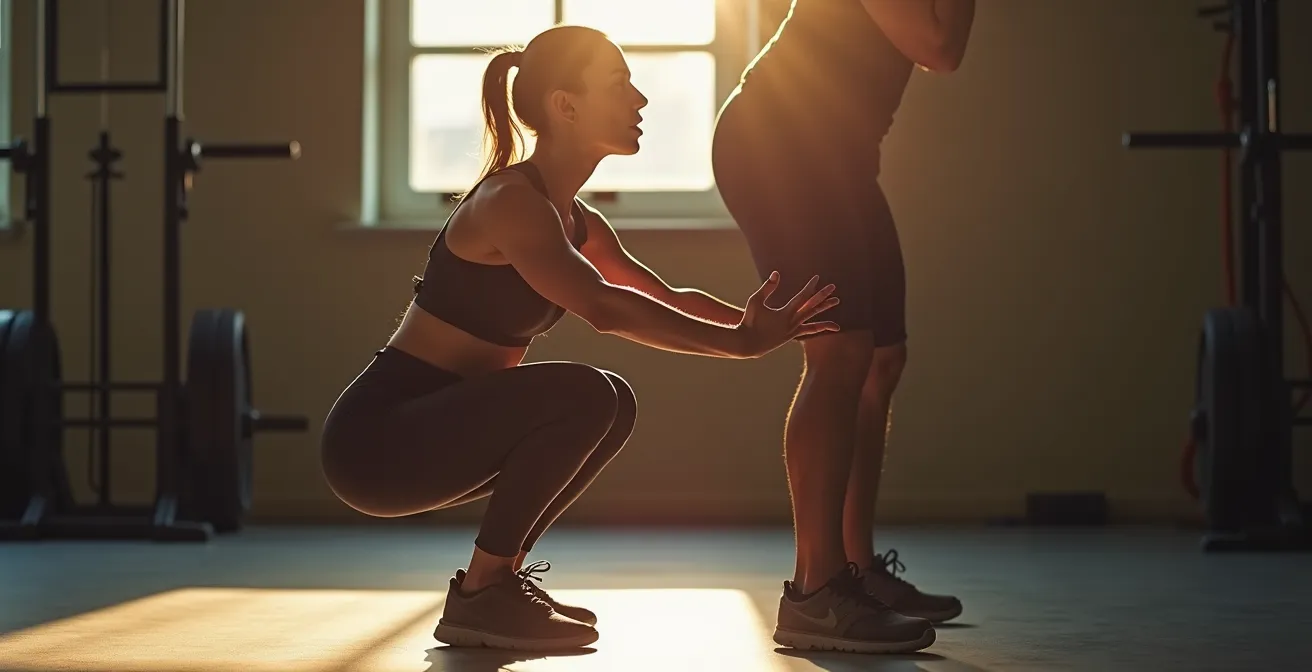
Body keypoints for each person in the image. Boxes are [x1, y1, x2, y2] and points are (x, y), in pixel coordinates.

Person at [319, 24, 841, 653]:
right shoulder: (510, 203)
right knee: (587, 394)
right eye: (620, 84)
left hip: (440, 432)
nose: (640, 99)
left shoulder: (574, 220)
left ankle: (497, 585)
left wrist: (755, 326)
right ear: (565, 105)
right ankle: (482, 592)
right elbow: (603, 307)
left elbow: (662, 297)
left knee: (614, 401)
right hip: (377, 443)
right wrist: (738, 345)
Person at [711, 0, 977, 655]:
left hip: (841, 161)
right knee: (839, 352)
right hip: (779, 144)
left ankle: (856, 571)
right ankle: (816, 592)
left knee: (882, 358)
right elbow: (939, 48)